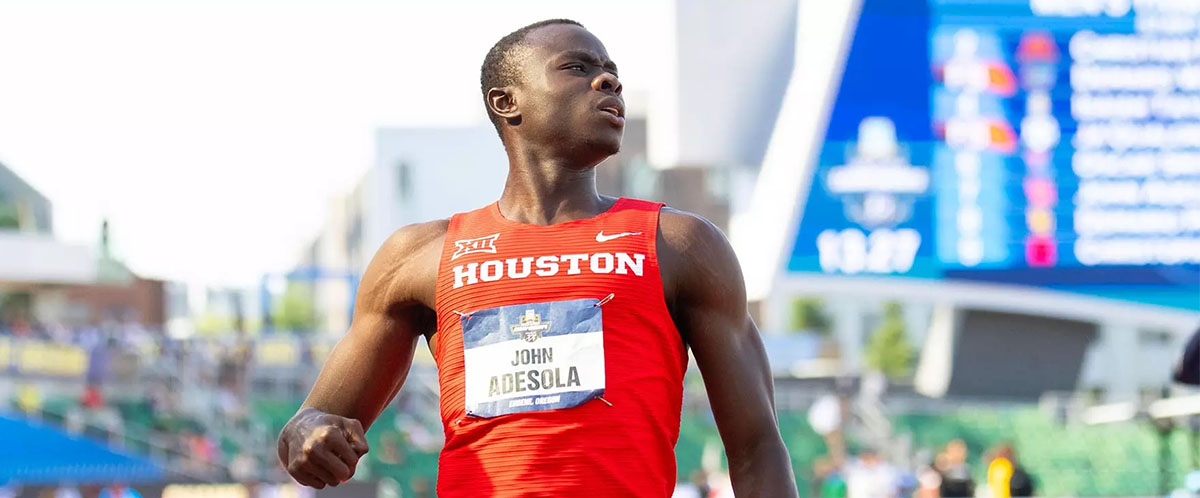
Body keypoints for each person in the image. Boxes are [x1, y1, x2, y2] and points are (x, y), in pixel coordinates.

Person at [276, 18, 797, 498]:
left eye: (612, 73)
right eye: (578, 67)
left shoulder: (679, 243)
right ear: (507, 102)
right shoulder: (420, 255)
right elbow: (308, 429)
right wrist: (307, 432)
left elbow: (757, 448)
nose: (608, 82)